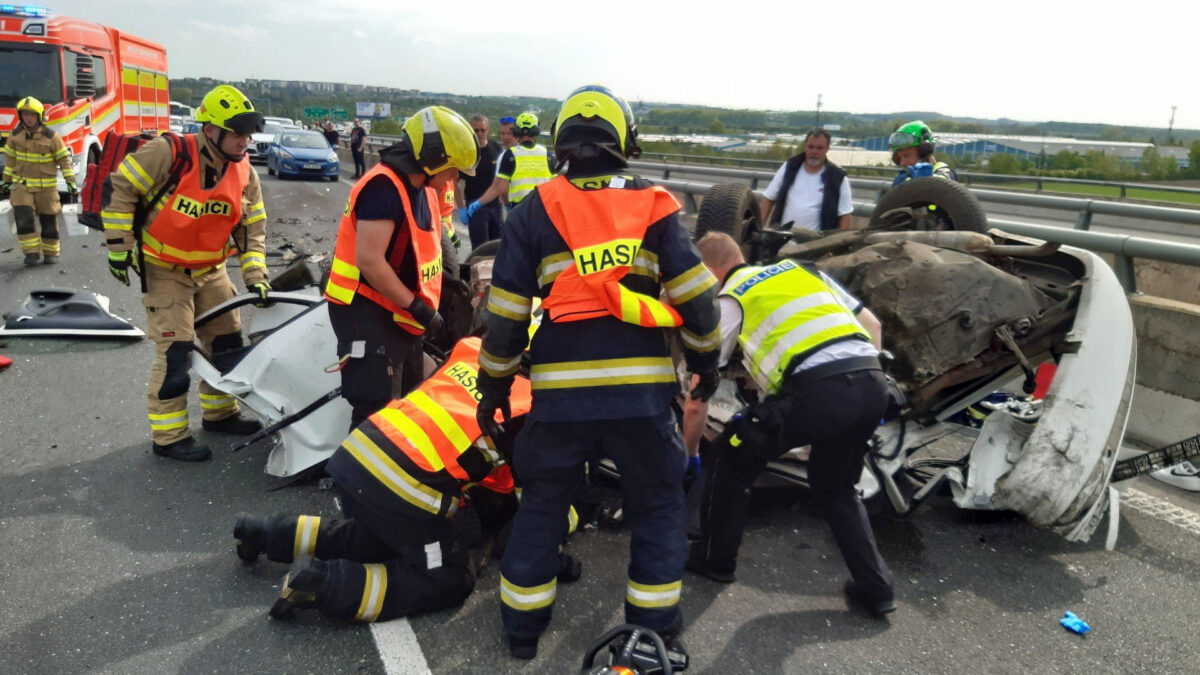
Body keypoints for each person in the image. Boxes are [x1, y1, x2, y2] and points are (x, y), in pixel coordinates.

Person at [475, 84, 721, 659]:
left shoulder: (534, 209)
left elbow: (506, 317)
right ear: (624, 142)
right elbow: (698, 304)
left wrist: (492, 386)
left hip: (560, 397)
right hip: (640, 398)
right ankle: (651, 637)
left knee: (541, 504)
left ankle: (521, 634)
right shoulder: (654, 206)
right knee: (658, 505)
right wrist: (705, 367)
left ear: (562, 142)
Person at [232, 337, 584, 622]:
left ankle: (263, 532)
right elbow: (532, 503)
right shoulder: (529, 407)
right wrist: (554, 549)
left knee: (377, 540)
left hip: (359, 453)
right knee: (448, 577)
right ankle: (322, 584)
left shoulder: (472, 348)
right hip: (402, 486)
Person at [685, 231, 896, 618]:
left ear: (710, 273)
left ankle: (715, 562)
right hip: (872, 382)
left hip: (818, 393)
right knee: (836, 488)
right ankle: (877, 588)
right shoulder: (802, 270)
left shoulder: (732, 296)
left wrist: (691, 453)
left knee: (732, 452)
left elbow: (701, 387)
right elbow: (874, 326)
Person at [102, 84, 268, 462]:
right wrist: (118, 248)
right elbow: (123, 191)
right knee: (176, 352)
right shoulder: (168, 153)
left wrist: (255, 275)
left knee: (226, 345)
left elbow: (252, 229)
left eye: (248, 134)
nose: (245, 141)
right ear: (211, 130)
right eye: (238, 133)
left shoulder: (245, 173)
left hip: (212, 271)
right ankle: (169, 437)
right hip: (166, 271)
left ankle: (220, 413)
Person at [323, 105, 478, 429]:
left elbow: (418, 251)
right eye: (452, 169)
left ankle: (392, 470)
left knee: (408, 393)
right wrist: (417, 307)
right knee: (376, 403)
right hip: (363, 307)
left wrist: (446, 282)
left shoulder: (424, 189)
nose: (455, 179)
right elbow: (369, 260)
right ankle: (358, 476)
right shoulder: (384, 188)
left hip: (395, 308)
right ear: (433, 157)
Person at [1, 96, 77, 265]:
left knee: (48, 220)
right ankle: (31, 253)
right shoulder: (14, 137)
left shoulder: (52, 137)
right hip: (22, 187)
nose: (29, 118)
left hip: (47, 189)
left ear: (40, 116)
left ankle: (51, 253)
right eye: (25, 114)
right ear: (20, 116)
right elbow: (10, 162)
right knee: (23, 218)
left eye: (32, 115)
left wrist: (70, 181)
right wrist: (5, 181)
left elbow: (64, 160)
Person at [463, 112, 554, 224]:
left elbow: (501, 188)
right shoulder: (548, 155)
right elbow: (554, 187)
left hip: (519, 212)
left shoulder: (510, 155)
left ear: (516, 131)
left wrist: (504, 205)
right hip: (543, 212)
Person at [758, 129, 852, 232]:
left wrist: (839, 245)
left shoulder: (838, 177)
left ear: (827, 149)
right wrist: (758, 229)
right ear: (805, 146)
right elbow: (768, 199)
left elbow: (845, 214)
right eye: (811, 147)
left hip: (816, 243)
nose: (814, 152)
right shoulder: (789, 167)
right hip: (781, 237)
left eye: (819, 148)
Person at [455, 114, 505, 248]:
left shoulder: (495, 148)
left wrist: (506, 202)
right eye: (476, 130)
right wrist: (461, 208)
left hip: (495, 205)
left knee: (498, 248)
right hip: (475, 206)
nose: (480, 133)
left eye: (483, 130)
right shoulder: (467, 153)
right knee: (480, 249)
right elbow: (454, 182)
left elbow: (503, 177)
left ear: (487, 130)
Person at [889, 120, 957, 185]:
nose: (902, 163)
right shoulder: (901, 178)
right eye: (899, 158)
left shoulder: (944, 171)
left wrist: (926, 181)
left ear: (924, 152)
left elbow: (945, 181)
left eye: (907, 155)